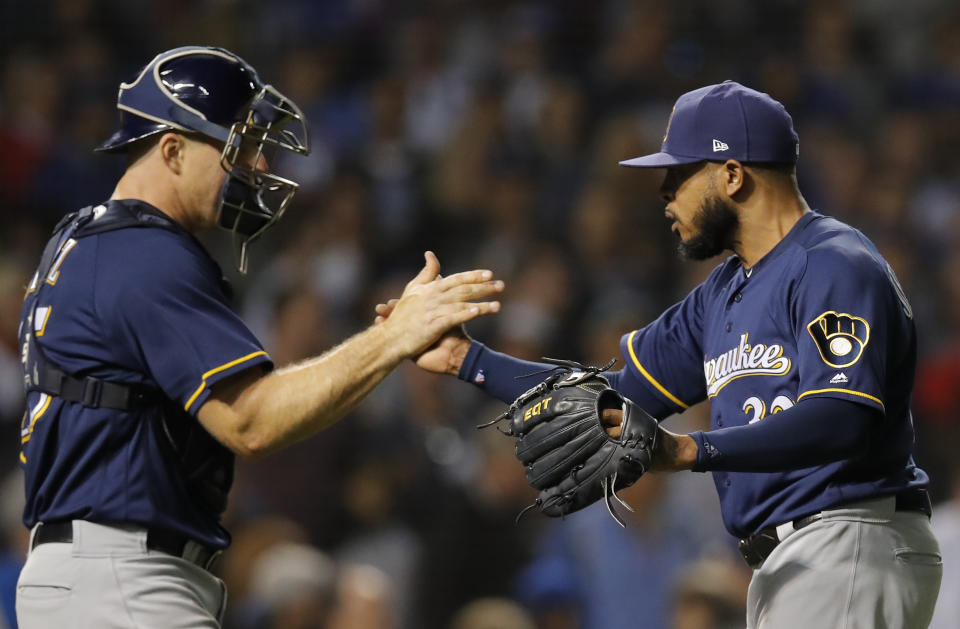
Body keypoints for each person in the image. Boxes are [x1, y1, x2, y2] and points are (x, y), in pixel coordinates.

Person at [379, 81, 943, 628]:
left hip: (847, 540)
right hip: (796, 558)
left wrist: (692, 450)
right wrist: (463, 358)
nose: (663, 193)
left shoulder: (832, 263)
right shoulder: (721, 294)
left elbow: (844, 416)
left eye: (678, 175)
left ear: (732, 175)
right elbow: (610, 397)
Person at [15, 46, 504, 628]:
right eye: (238, 146)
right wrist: (394, 339)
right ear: (171, 150)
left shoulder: (88, 240)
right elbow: (251, 420)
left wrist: (386, 344)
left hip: (94, 572)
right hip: (122, 578)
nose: (261, 165)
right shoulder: (144, 254)